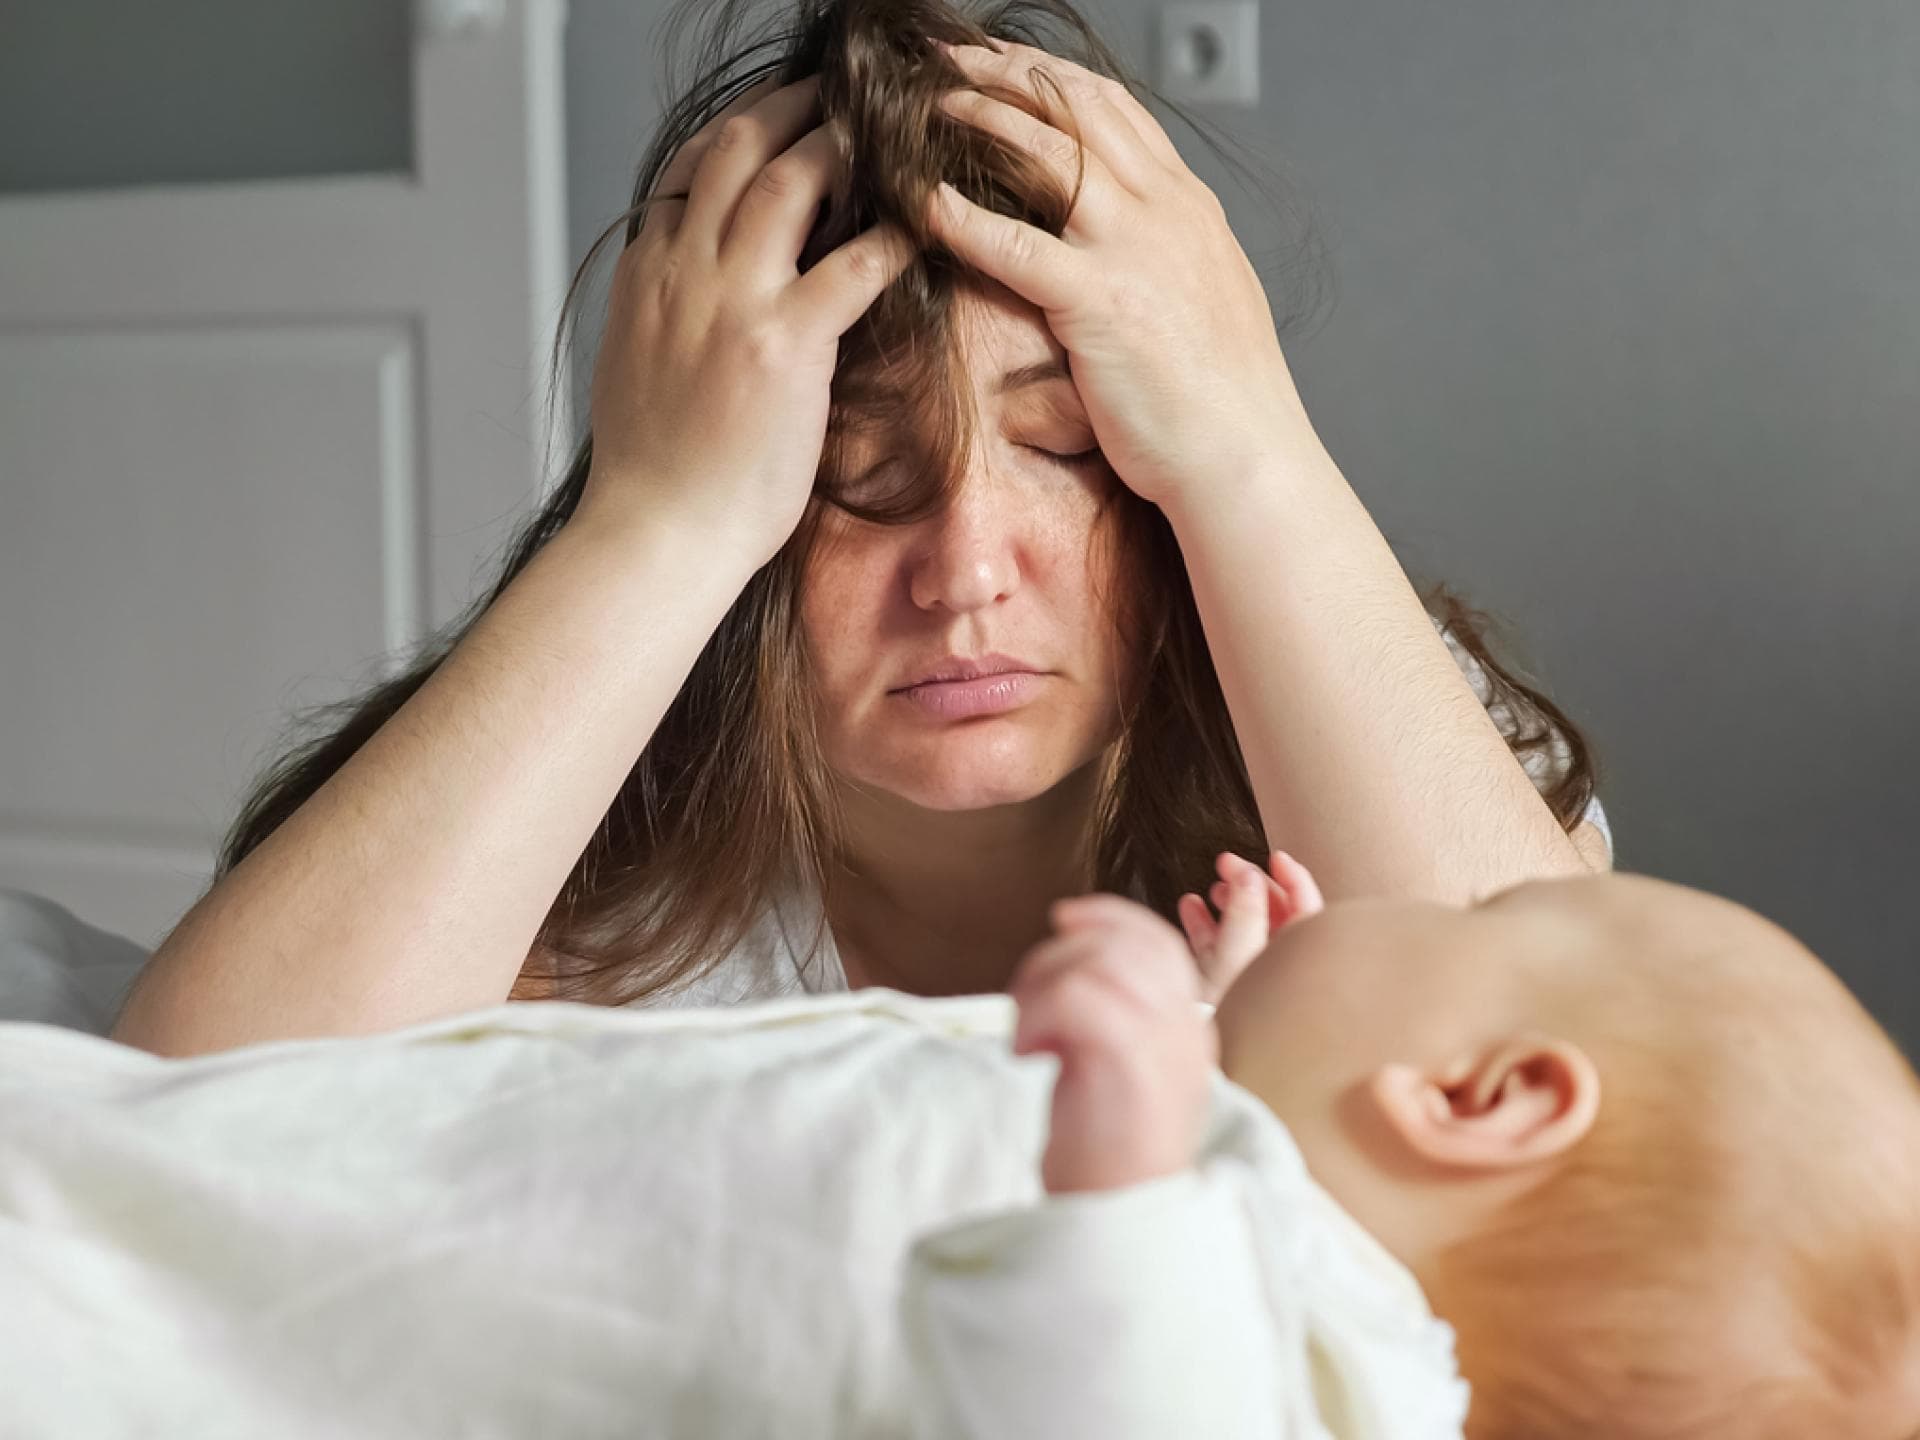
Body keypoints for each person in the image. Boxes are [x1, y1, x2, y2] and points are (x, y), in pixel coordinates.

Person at [108, 0, 1611, 1059]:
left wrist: (1254, 444)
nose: (965, 574)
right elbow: (193, 1112)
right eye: (857, 475)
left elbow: (1588, 1076)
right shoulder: (600, 871)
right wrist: (657, 520)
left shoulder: (1360, 710)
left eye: (1066, 447)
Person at [909, 855, 1920, 1438]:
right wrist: (1238, 1018)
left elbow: (1131, 1398)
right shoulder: (1297, 1277)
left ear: (1477, 1097)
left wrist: (1126, 1180)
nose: (1424, 897)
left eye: (1476, 911)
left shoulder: (1290, 1355)